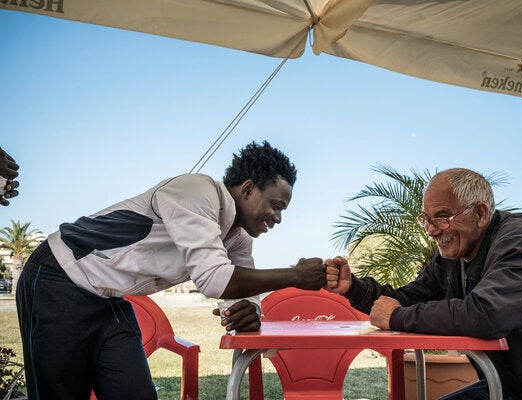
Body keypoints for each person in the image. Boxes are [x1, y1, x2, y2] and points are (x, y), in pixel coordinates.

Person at [17, 141, 326, 400]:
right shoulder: (198, 190)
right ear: (247, 189)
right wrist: (296, 276)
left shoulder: (239, 238)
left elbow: (243, 292)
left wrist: (251, 310)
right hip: (58, 277)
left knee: (136, 395)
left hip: (109, 299)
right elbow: (215, 279)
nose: (278, 218)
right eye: (276, 205)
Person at [325, 168, 522, 400]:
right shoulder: (453, 256)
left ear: (480, 213)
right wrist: (354, 288)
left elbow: (488, 315)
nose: (432, 230)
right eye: (427, 220)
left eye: (442, 218)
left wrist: (397, 317)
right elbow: (409, 298)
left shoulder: (520, 242)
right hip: (516, 387)